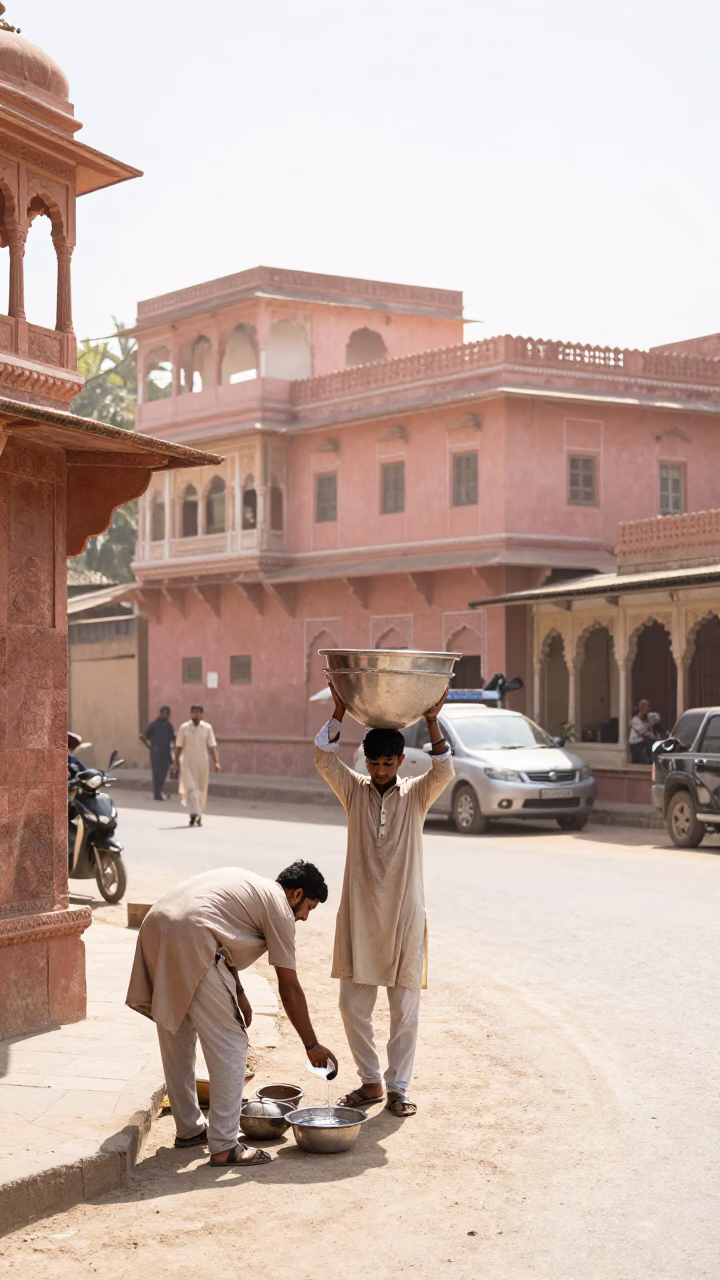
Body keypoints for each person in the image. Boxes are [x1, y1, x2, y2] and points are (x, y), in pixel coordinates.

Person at [126, 860, 338, 1167]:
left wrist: (238, 990)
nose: (304, 916)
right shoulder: (280, 907)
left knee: (179, 1032)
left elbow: (223, 937)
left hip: (155, 926)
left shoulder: (254, 887)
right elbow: (289, 987)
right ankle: (225, 1145)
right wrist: (311, 1045)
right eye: (309, 907)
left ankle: (189, 1129)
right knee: (231, 1042)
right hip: (193, 934)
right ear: (297, 894)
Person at [315, 682, 454, 1118]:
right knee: (350, 1005)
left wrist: (432, 722)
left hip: (404, 917)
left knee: (405, 1011)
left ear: (399, 762)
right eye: (373, 762)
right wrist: (338, 713)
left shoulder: (415, 795)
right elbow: (323, 758)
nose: (378, 769)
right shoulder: (353, 790)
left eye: (387, 762)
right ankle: (371, 1080)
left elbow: (444, 771)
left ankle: (398, 1087)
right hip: (360, 916)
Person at [175, 705, 221, 826]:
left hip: (202, 763)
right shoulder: (184, 728)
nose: (195, 715)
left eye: (198, 713)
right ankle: (197, 813)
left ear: (202, 715)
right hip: (187, 763)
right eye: (193, 713)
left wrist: (216, 762)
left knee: (201, 790)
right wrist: (175, 762)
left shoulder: (207, 728)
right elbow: (179, 746)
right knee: (191, 789)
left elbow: (213, 746)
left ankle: (193, 814)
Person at [140, 705, 175, 801]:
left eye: (167, 714)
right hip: (156, 753)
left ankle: (159, 791)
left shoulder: (169, 726)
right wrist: (149, 747)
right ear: (160, 714)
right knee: (157, 773)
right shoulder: (153, 725)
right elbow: (143, 736)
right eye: (163, 713)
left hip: (166, 753)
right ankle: (157, 794)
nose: (165, 716)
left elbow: (173, 739)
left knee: (164, 773)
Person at [629, 698, 655, 764]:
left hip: (643, 744)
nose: (649, 709)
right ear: (643, 708)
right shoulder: (635, 720)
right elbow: (644, 734)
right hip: (637, 746)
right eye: (647, 707)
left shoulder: (644, 722)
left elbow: (650, 733)